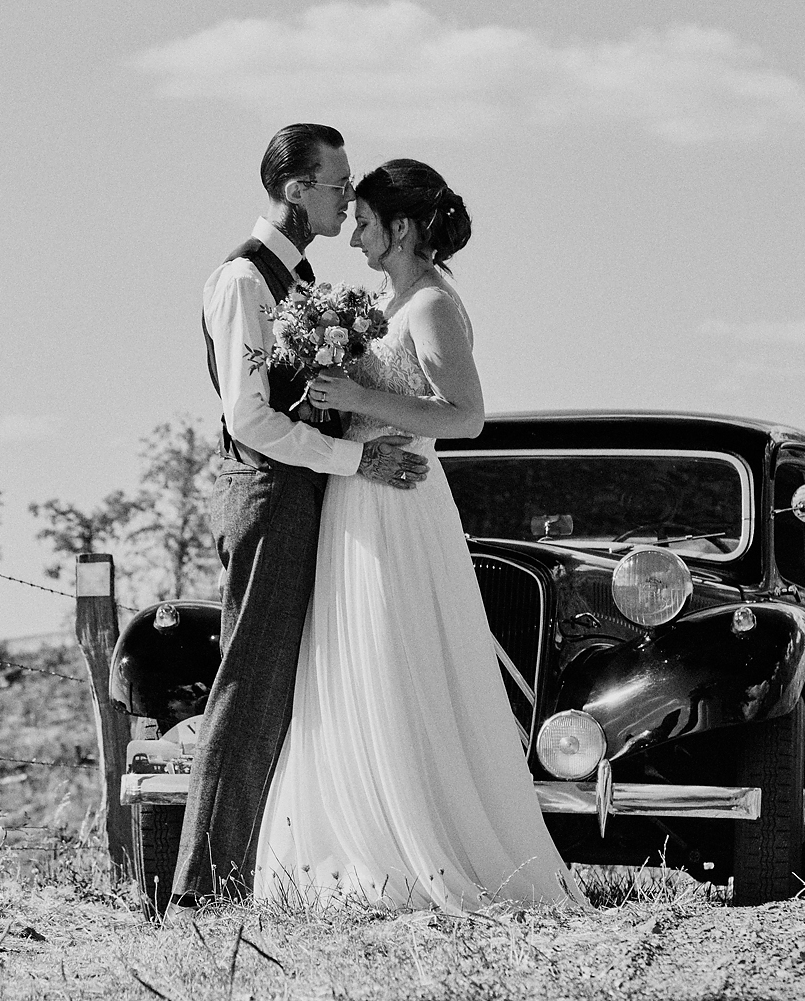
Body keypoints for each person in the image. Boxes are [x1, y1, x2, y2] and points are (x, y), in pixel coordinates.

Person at [254, 160, 586, 912]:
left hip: (401, 502)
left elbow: (465, 415)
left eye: (366, 224)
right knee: (353, 659)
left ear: (400, 228)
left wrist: (358, 395)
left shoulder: (432, 303)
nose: (355, 238)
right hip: (355, 496)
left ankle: (420, 848)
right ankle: (355, 840)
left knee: (396, 659)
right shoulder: (386, 303)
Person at [167, 126, 430, 922]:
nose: (348, 198)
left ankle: (262, 870)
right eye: (337, 184)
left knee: (292, 684)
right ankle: (201, 888)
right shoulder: (245, 281)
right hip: (269, 490)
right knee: (251, 681)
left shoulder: (301, 279)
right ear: (294, 189)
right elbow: (248, 417)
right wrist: (357, 460)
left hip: (306, 488)